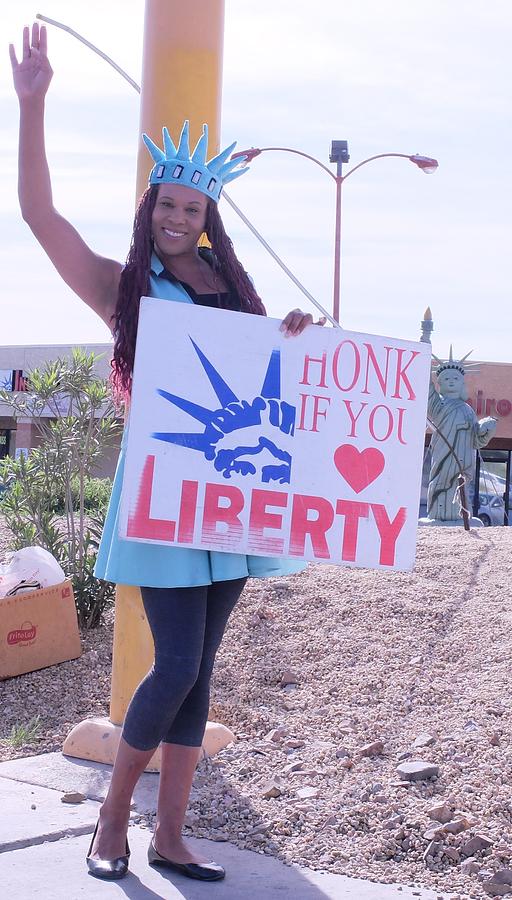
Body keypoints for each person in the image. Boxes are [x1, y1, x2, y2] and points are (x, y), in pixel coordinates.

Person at [10, 23, 321, 883]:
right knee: (174, 660)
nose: (180, 217)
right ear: (150, 211)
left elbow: (274, 379)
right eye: (168, 205)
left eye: (194, 207)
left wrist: (295, 333)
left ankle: (172, 835)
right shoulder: (125, 287)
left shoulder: (235, 291)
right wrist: (31, 106)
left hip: (232, 501)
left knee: (199, 670)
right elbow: (39, 217)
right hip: (160, 498)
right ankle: (111, 825)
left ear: (209, 217)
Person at [427, 355, 496, 521]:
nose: (451, 381)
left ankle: (462, 516)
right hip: (443, 457)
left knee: (462, 490)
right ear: (440, 383)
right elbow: (426, 387)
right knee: (441, 485)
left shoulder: (468, 410)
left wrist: (487, 430)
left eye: (456, 378)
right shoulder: (438, 405)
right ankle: (438, 515)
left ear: (462, 383)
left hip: (463, 460)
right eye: (446, 378)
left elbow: (476, 440)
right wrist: (425, 343)